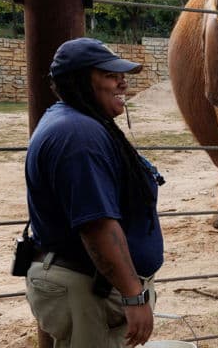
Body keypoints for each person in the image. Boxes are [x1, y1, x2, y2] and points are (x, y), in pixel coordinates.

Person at [25, 38, 165, 347]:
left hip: (93, 286)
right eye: (110, 75)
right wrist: (133, 296)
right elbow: (97, 226)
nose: (122, 83)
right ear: (80, 81)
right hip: (88, 291)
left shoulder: (78, 123)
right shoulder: (78, 137)